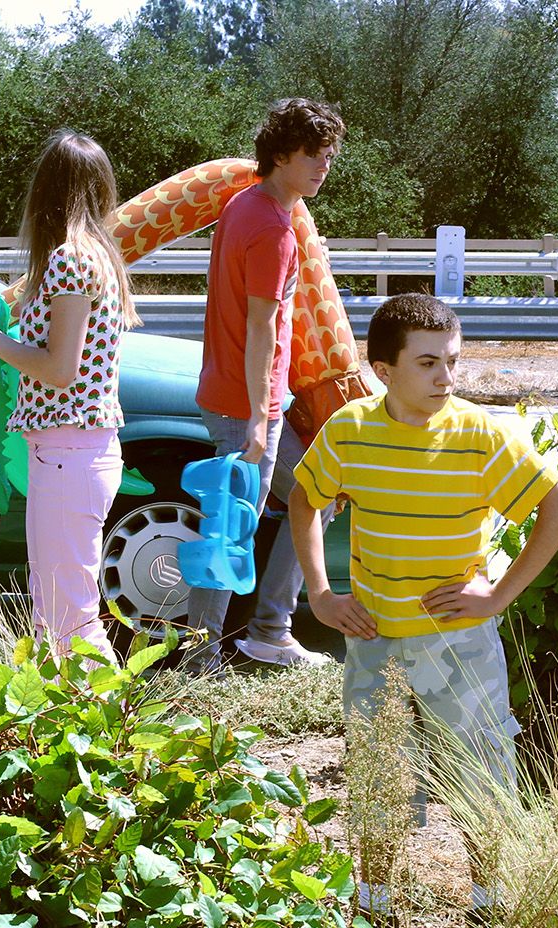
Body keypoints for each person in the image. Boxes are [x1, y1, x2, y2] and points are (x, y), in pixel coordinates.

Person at [289, 293, 558, 903]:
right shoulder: (350, 432)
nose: (446, 376)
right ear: (384, 370)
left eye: (452, 360)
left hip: (458, 641)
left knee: (482, 767)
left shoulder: (479, 435)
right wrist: (320, 592)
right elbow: (303, 500)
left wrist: (497, 597)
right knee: (377, 774)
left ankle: (488, 901)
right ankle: (375, 902)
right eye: (427, 363)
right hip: (374, 639)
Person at [0, 130, 136, 660]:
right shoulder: (96, 255)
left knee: (69, 614)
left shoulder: (70, 260)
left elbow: (58, 369)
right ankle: (75, 728)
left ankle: (109, 730)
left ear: (47, 191)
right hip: (73, 451)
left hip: (69, 452)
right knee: (56, 606)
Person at [183, 98, 347, 671]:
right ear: (281, 155)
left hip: (234, 395)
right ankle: (200, 656)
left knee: (316, 493)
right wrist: (259, 416)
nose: (325, 166)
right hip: (247, 405)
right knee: (232, 525)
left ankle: (270, 629)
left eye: (330, 156)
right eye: (314, 156)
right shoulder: (274, 229)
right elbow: (260, 324)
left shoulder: (244, 206)